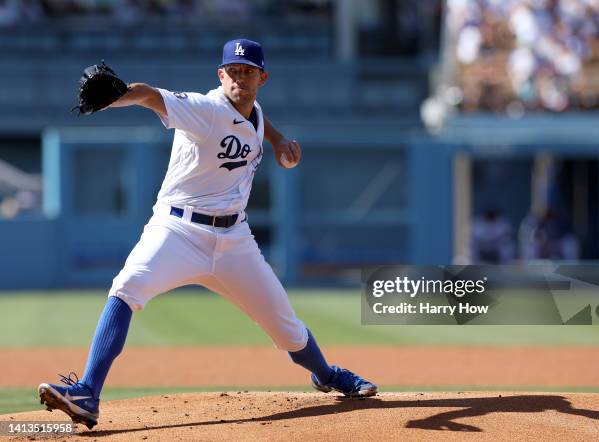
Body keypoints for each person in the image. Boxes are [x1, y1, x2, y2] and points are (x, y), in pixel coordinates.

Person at [37, 38, 377, 430]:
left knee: (285, 327)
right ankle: (87, 392)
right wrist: (122, 95)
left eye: (248, 72)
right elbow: (151, 96)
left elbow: (258, 122)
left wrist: (280, 140)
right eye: (232, 71)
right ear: (220, 74)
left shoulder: (253, 112)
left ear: (262, 78)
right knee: (127, 288)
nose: (239, 78)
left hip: (235, 241)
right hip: (177, 230)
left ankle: (328, 375)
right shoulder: (204, 109)